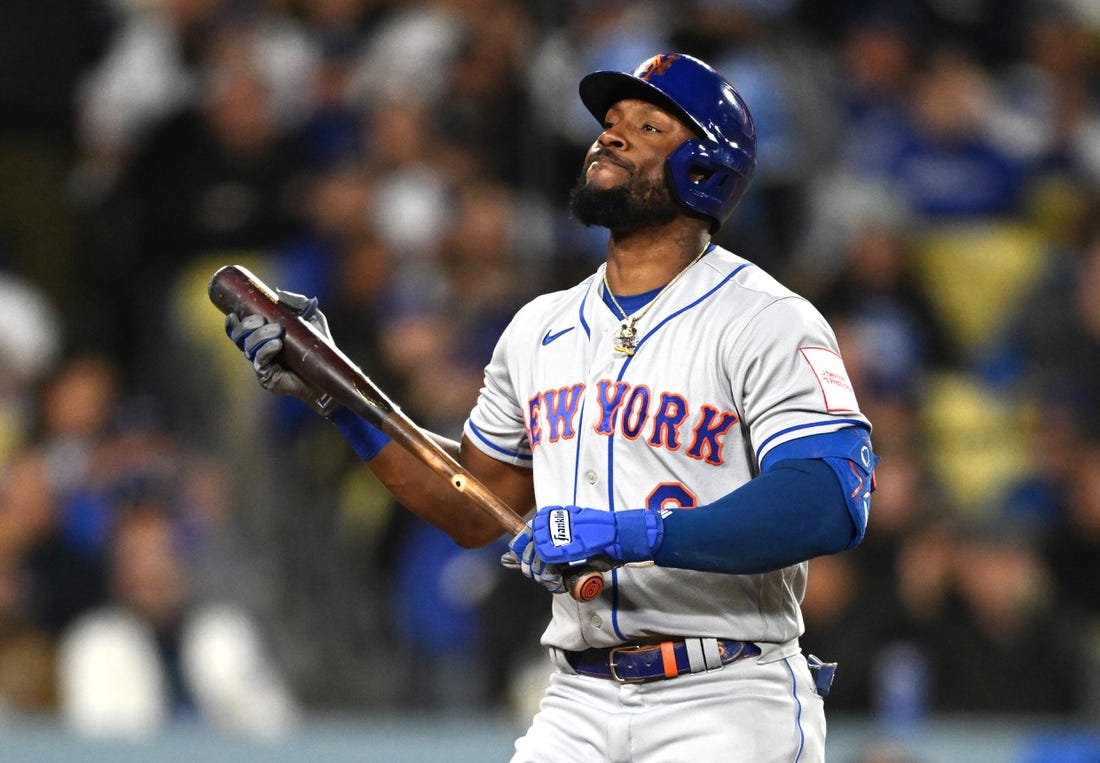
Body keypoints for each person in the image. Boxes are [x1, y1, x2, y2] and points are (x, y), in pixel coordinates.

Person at [225, 53, 877, 762]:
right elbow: (475, 501)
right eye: (610, 123)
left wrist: (638, 533)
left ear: (706, 168)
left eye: (648, 126)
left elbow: (829, 497)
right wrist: (335, 390)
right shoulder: (541, 327)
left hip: (725, 690)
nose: (612, 136)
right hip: (578, 695)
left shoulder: (768, 318)